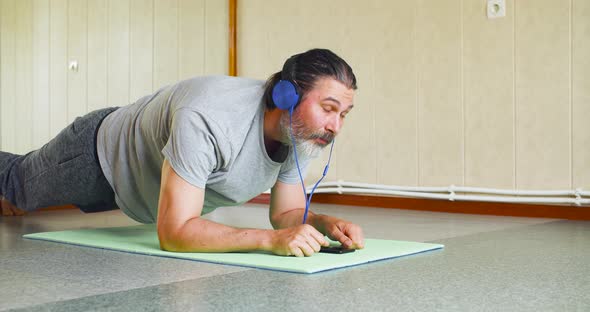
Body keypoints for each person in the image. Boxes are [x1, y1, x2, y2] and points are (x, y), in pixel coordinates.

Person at [0, 48, 364, 257]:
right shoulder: (210, 117)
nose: (336, 126)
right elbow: (174, 232)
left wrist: (321, 223)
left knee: (18, 193)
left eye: (344, 114)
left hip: (138, 189)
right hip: (97, 157)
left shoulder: (301, 133)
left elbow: (285, 213)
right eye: (329, 108)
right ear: (287, 96)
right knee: (17, 184)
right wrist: (271, 241)